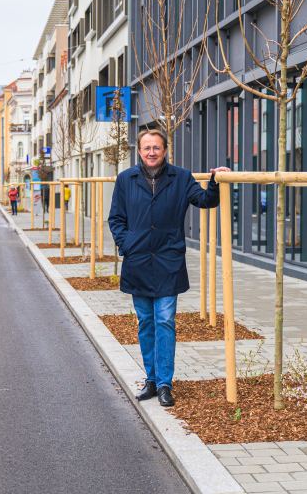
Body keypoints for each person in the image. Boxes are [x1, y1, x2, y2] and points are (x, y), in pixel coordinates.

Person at [108, 128, 231, 407]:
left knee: (165, 320)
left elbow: (205, 201)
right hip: (138, 262)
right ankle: (150, 379)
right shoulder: (126, 179)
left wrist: (216, 180)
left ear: (165, 150)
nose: (151, 152)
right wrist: (127, 244)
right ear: (139, 151)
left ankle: (165, 383)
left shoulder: (181, 177)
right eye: (146, 148)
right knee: (146, 322)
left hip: (167, 261)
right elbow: (116, 218)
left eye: (156, 148)